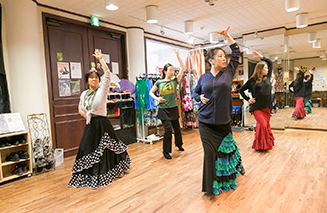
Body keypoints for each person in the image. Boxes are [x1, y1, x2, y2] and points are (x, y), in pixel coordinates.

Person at [68, 49, 131, 189]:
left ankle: (106, 172)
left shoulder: (102, 90)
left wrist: (101, 60)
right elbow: (80, 108)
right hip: (91, 124)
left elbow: (107, 74)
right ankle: (88, 174)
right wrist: (87, 117)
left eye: (96, 77)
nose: (94, 79)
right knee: (86, 148)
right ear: (87, 80)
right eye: (91, 78)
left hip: (102, 123)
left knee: (106, 149)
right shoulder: (84, 94)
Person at [193, 27, 245, 196]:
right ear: (211, 61)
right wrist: (198, 97)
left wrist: (228, 36)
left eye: (224, 56)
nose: (224, 58)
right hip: (205, 122)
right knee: (209, 154)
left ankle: (236, 166)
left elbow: (236, 52)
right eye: (220, 56)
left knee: (225, 152)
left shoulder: (228, 73)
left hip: (223, 124)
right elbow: (194, 92)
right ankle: (209, 188)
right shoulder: (203, 78)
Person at [149, 49, 185, 160]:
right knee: (168, 130)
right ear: (165, 71)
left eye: (173, 70)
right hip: (163, 110)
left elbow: (183, 68)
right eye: (170, 70)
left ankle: (179, 144)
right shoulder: (159, 82)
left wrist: (178, 56)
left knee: (177, 129)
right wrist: (157, 99)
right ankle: (166, 151)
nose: (173, 71)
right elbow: (151, 92)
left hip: (173, 108)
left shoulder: (175, 81)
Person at [239, 51, 275, 151]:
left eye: (267, 68)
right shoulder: (252, 80)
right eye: (265, 68)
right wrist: (248, 99)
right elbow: (241, 90)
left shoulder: (267, 78)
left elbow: (270, 62)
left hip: (267, 107)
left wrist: (261, 57)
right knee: (262, 124)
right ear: (260, 69)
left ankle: (263, 145)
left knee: (265, 125)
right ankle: (262, 144)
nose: (267, 70)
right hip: (257, 107)